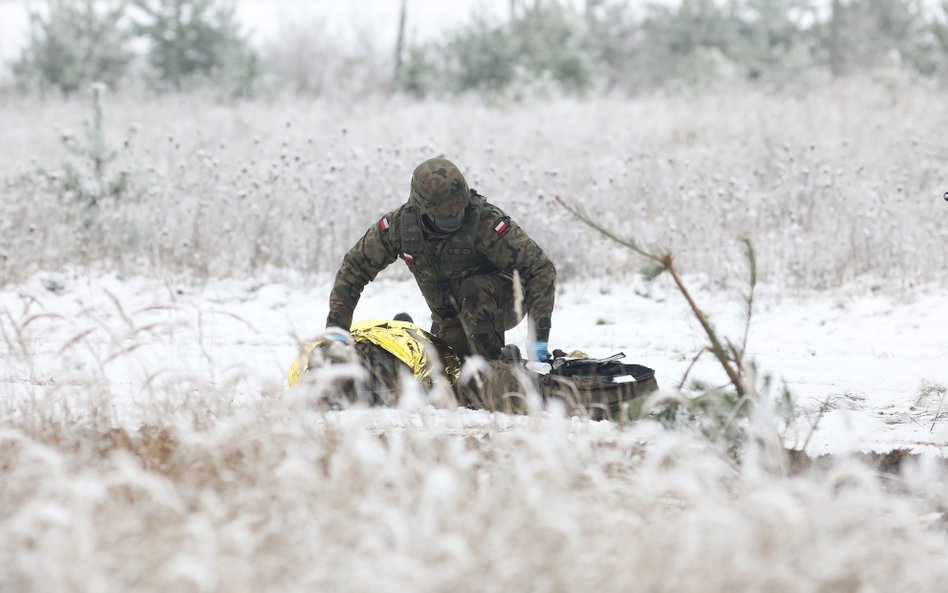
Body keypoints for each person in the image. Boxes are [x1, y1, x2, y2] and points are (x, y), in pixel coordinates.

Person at [325, 157, 556, 362]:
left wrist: (538, 338)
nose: (455, 217)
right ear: (423, 209)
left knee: (485, 367)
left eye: (459, 210)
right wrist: (337, 329)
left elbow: (539, 268)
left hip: (501, 303)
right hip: (450, 317)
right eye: (447, 215)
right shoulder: (400, 227)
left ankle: (492, 362)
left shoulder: (485, 221)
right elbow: (354, 268)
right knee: (447, 370)